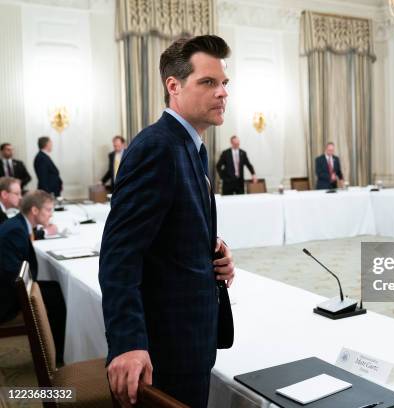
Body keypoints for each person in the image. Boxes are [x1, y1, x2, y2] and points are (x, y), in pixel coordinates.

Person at [99, 35, 235, 408]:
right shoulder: (158, 147)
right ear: (173, 86)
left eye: (224, 83)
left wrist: (214, 250)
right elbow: (119, 253)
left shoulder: (190, 145)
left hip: (191, 334)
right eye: (208, 82)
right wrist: (127, 342)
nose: (222, 92)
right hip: (168, 347)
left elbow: (171, 225)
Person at [0, 190, 66, 363]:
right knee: (56, 296)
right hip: (5, 297)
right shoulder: (16, 229)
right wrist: (32, 291)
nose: (51, 215)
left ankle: (57, 350)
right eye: (48, 210)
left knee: (55, 289)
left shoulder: (18, 224)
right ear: (35, 210)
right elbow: (12, 273)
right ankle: (57, 355)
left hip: (8, 285)